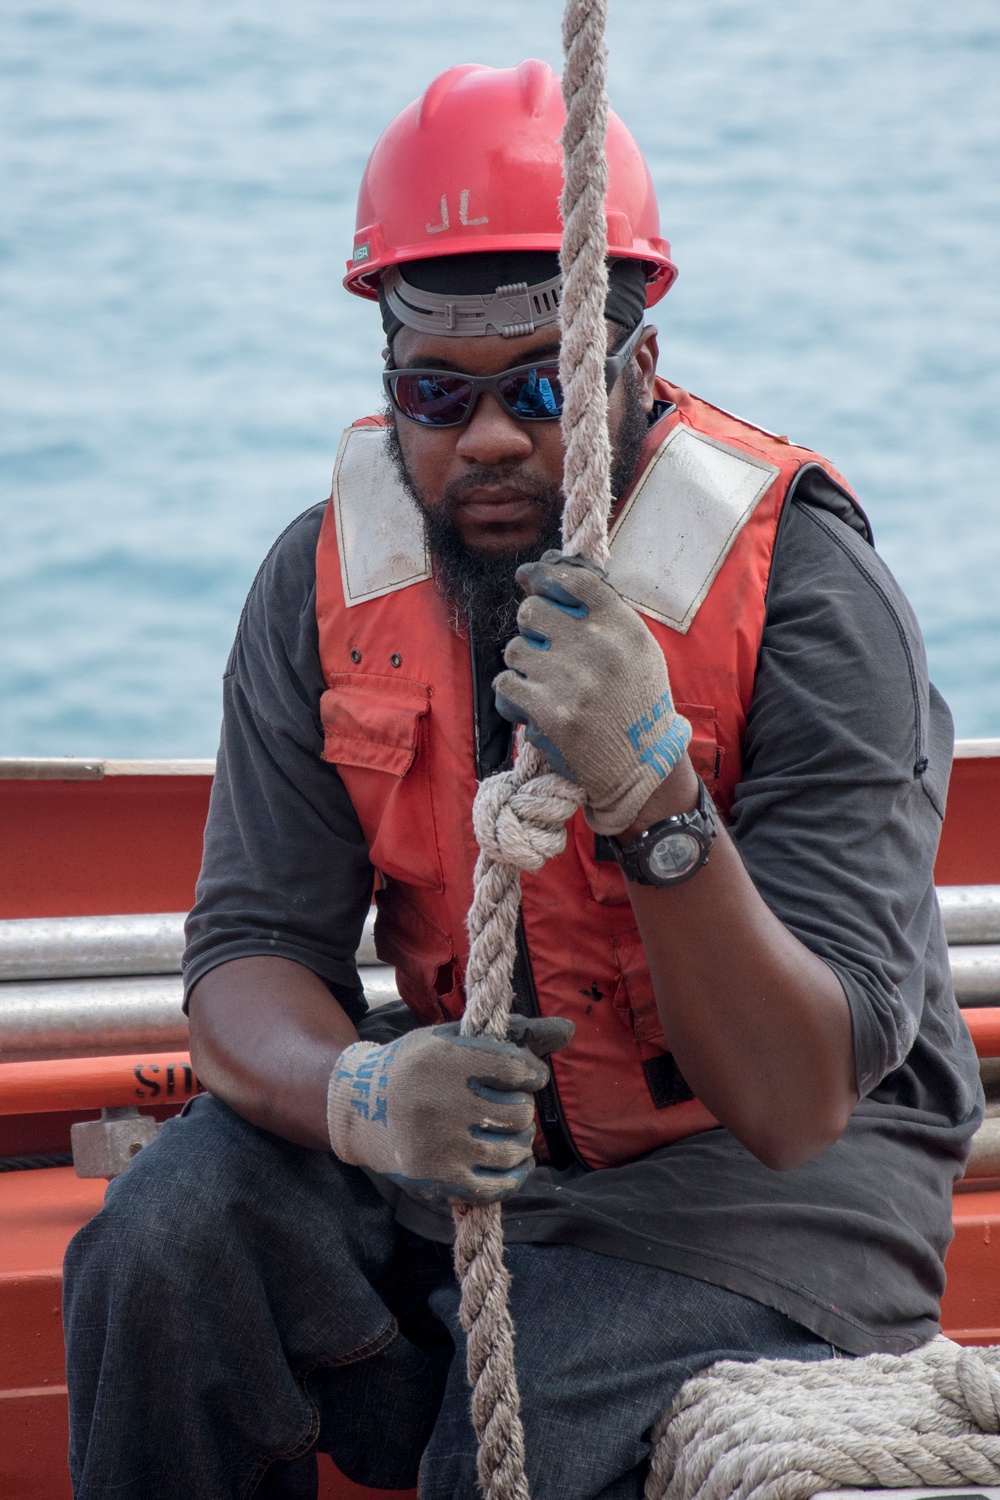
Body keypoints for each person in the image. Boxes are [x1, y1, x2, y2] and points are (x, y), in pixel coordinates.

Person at [63, 59, 982, 1500]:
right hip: (471, 1151)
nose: (489, 438)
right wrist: (365, 1094)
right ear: (390, 387)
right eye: (437, 394)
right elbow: (246, 958)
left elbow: (802, 1099)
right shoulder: (320, 584)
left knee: (512, 1451)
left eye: (543, 388)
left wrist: (653, 796)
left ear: (637, 365)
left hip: (760, 1194)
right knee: (156, 1253)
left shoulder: (803, 589)